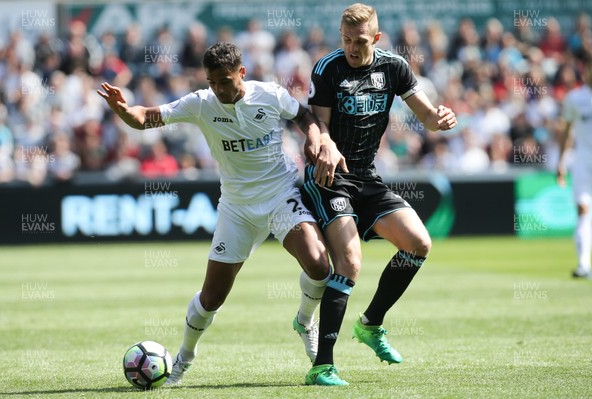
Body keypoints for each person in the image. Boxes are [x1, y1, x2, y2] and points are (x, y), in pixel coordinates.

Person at [98, 42, 338, 384]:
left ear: (241, 73)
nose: (219, 89)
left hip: (279, 194)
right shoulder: (201, 103)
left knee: (319, 264)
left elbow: (304, 115)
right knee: (211, 298)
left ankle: (305, 321)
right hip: (237, 209)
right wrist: (123, 111)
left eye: (225, 81)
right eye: (212, 82)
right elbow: (147, 117)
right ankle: (184, 357)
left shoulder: (269, 95)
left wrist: (314, 138)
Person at [301, 3, 457, 385]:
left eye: (359, 41)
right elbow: (316, 124)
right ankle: (322, 365)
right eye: (346, 40)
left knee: (419, 243)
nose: (352, 48)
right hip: (330, 177)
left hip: (367, 177)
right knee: (350, 263)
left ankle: (370, 323)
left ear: (377, 38)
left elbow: (426, 116)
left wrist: (440, 119)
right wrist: (325, 144)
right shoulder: (327, 68)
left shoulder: (394, 67)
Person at [557, 60, 592, 279]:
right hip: (583, 160)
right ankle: (583, 265)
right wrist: (561, 161)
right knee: (583, 211)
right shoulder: (575, 98)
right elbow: (567, 131)